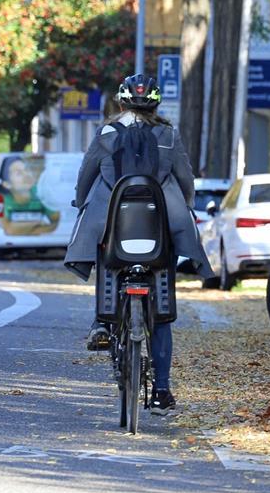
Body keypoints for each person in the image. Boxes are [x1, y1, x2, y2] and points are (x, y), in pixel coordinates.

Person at [64, 74, 213, 414]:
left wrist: (81, 201)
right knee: (161, 314)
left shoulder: (106, 134)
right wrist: (186, 203)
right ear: (157, 105)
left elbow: (86, 177)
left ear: (120, 103)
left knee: (106, 257)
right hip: (160, 230)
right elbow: (186, 179)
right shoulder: (168, 136)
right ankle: (161, 391)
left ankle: (103, 323)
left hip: (111, 229)